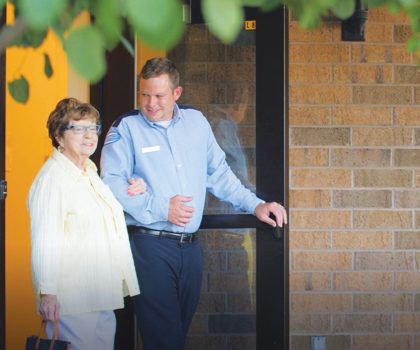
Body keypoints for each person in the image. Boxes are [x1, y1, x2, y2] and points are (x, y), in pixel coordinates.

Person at [100, 57, 287, 350]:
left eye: (159, 95)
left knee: (177, 333)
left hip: (190, 250)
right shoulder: (126, 128)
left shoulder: (196, 123)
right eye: (144, 94)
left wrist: (255, 205)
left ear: (177, 93)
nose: (150, 103)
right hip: (149, 247)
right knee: (165, 340)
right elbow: (111, 185)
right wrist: (162, 208)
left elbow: (220, 175)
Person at [27, 98, 145, 350]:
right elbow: (45, 239)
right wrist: (47, 292)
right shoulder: (53, 178)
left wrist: (134, 188)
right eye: (78, 129)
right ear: (59, 136)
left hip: (100, 290)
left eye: (93, 128)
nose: (89, 135)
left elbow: (107, 217)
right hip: (73, 296)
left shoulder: (89, 171)